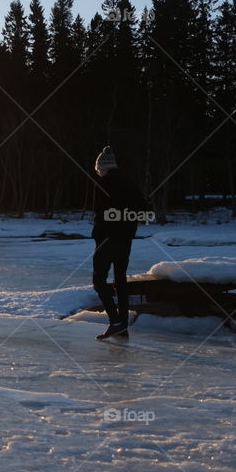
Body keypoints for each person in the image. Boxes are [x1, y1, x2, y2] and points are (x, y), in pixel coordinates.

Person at [90, 146, 145, 340]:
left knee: (99, 281)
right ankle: (122, 325)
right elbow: (144, 208)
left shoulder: (103, 183)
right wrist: (128, 223)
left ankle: (115, 322)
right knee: (120, 279)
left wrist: (100, 230)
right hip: (125, 239)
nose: (99, 172)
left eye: (99, 169)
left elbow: (99, 212)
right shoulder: (130, 183)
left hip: (107, 239)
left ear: (104, 167)